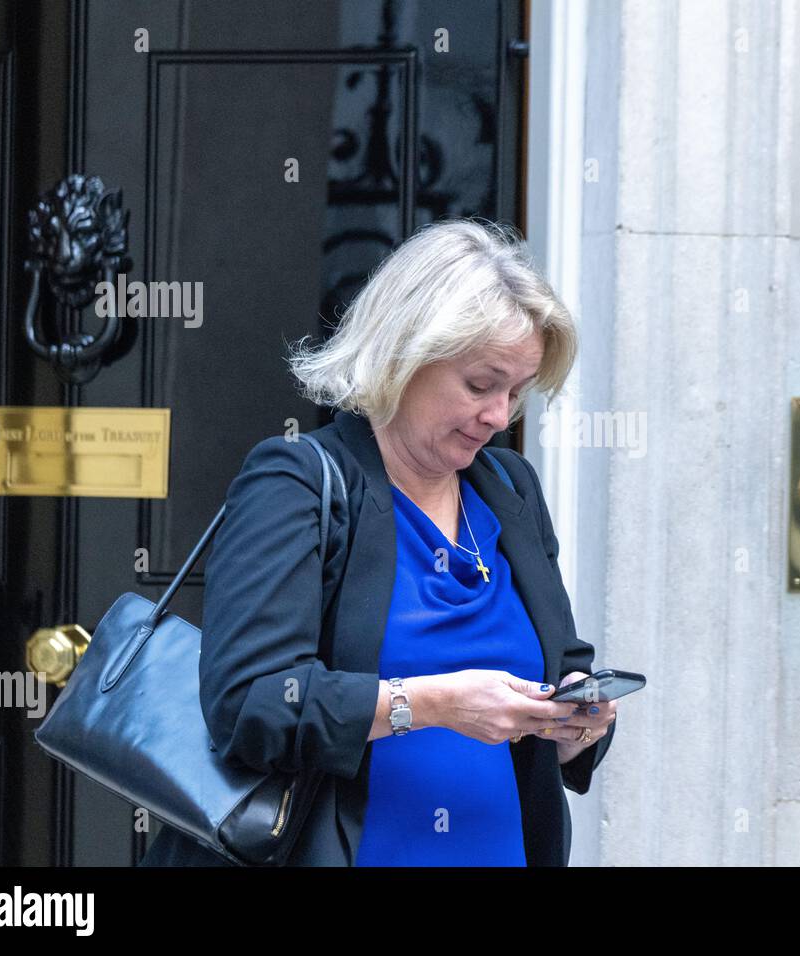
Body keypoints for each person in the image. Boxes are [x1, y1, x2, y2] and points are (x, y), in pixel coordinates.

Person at [139, 218, 617, 867]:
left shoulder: (511, 488)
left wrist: (575, 724)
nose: (500, 416)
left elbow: (563, 664)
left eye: (515, 391)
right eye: (480, 384)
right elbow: (251, 706)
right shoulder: (297, 483)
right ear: (404, 355)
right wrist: (432, 703)